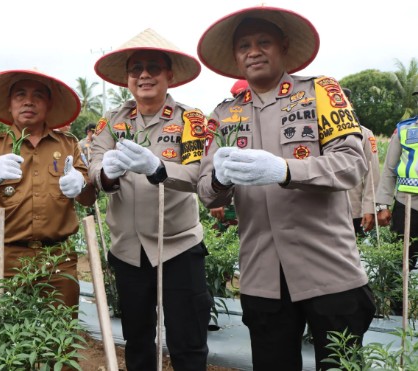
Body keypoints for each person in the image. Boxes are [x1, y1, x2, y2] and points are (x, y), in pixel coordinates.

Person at [197, 6, 376, 370]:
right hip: (262, 277)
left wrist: (284, 169)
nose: (253, 51)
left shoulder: (320, 93)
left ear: (283, 47)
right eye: (244, 45)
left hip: (329, 270)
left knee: (340, 365)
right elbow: (206, 191)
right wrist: (220, 178)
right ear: (236, 55)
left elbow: (352, 164)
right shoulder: (224, 115)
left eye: (264, 41)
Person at [89, 28, 212, 371]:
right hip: (127, 249)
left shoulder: (190, 120)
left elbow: (197, 175)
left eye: (154, 68)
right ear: (127, 78)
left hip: (178, 247)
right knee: (138, 339)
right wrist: (105, 172)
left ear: (169, 75)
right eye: (136, 68)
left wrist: (159, 167)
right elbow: (95, 166)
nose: (144, 75)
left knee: (188, 341)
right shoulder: (111, 123)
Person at [0, 69, 96, 313]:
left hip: (58, 260)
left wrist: (81, 184)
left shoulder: (68, 145)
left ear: (48, 104)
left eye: (38, 95)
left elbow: (89, 199)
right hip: (8, 260)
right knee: (8, 338)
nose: (28, 101)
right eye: (20, 95)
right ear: (10, 104)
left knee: (59, 338)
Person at [376, 88, 418, 270]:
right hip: (407, 205)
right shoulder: (404, 129)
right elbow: (389, 169)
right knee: (401, 264)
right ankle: (398, 300)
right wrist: (382, 205)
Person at [209, 79, 248, 228]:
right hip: (233, 195)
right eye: (236, 96)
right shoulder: (225, 119)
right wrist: (217, 198)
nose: (241, 100)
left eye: (244, 95)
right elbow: (213, 161)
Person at [343, 88, 380, 236]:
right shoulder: (315, 132)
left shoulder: (364, 133)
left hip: (354, 210)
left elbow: (373, 174)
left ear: (350, 104)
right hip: (321, 212)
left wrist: (369, 208)